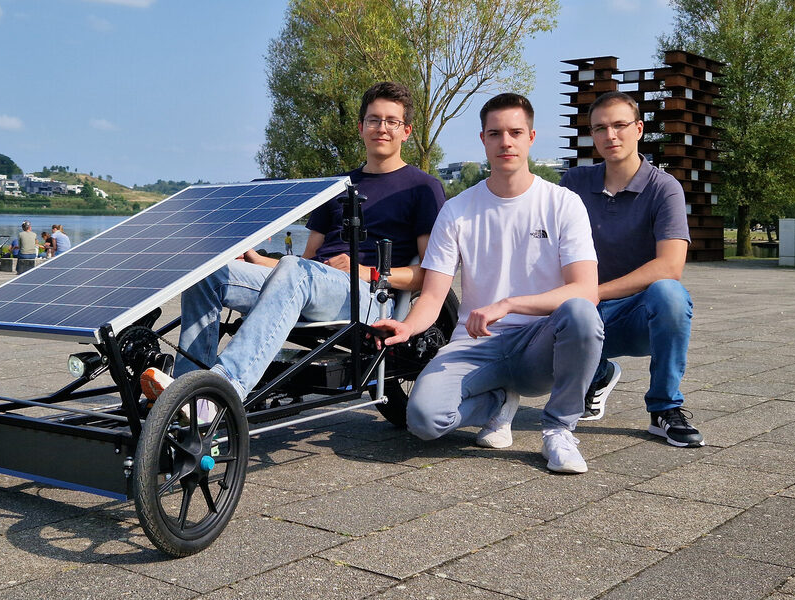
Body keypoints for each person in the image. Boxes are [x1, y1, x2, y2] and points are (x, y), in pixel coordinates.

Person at [140, 81, 446, 416]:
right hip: (311, 284)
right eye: (374, 120)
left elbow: (427, 276)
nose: (382, 128)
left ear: (406, 131)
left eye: (392, 121)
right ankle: (185, 392)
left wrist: (366, 271)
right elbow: (303, 265)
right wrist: (258, 261)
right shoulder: (336, 186)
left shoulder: (423, 188)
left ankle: (220, 392)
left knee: (296, 274)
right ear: (361, 127)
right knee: (209, 273)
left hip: (370, 297)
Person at [372, 93, 603, 474]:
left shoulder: (563, 203)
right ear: (483, 140)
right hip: (475, 343)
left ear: (531, 136)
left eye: (515, 132)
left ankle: (559, 429)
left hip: (538, 346)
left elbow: (586, 289)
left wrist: (509, 304)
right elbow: (432, 294)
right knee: (423, 421)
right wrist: (407, 326)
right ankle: (498, 402)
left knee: (580, 312)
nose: (505, 142)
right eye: (495, 133)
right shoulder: (457, 209)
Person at [559, 91, 703, 447]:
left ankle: (664, 408)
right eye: (600, 128)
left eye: (620, 125)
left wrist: (593, 293)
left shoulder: (663, 188)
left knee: (669, 293)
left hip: (633, 316)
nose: (611, 135)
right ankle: (596, 372)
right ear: (592, 135)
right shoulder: (574, 184)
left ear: (638, 129)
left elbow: (670, 265)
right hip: (578, 311)